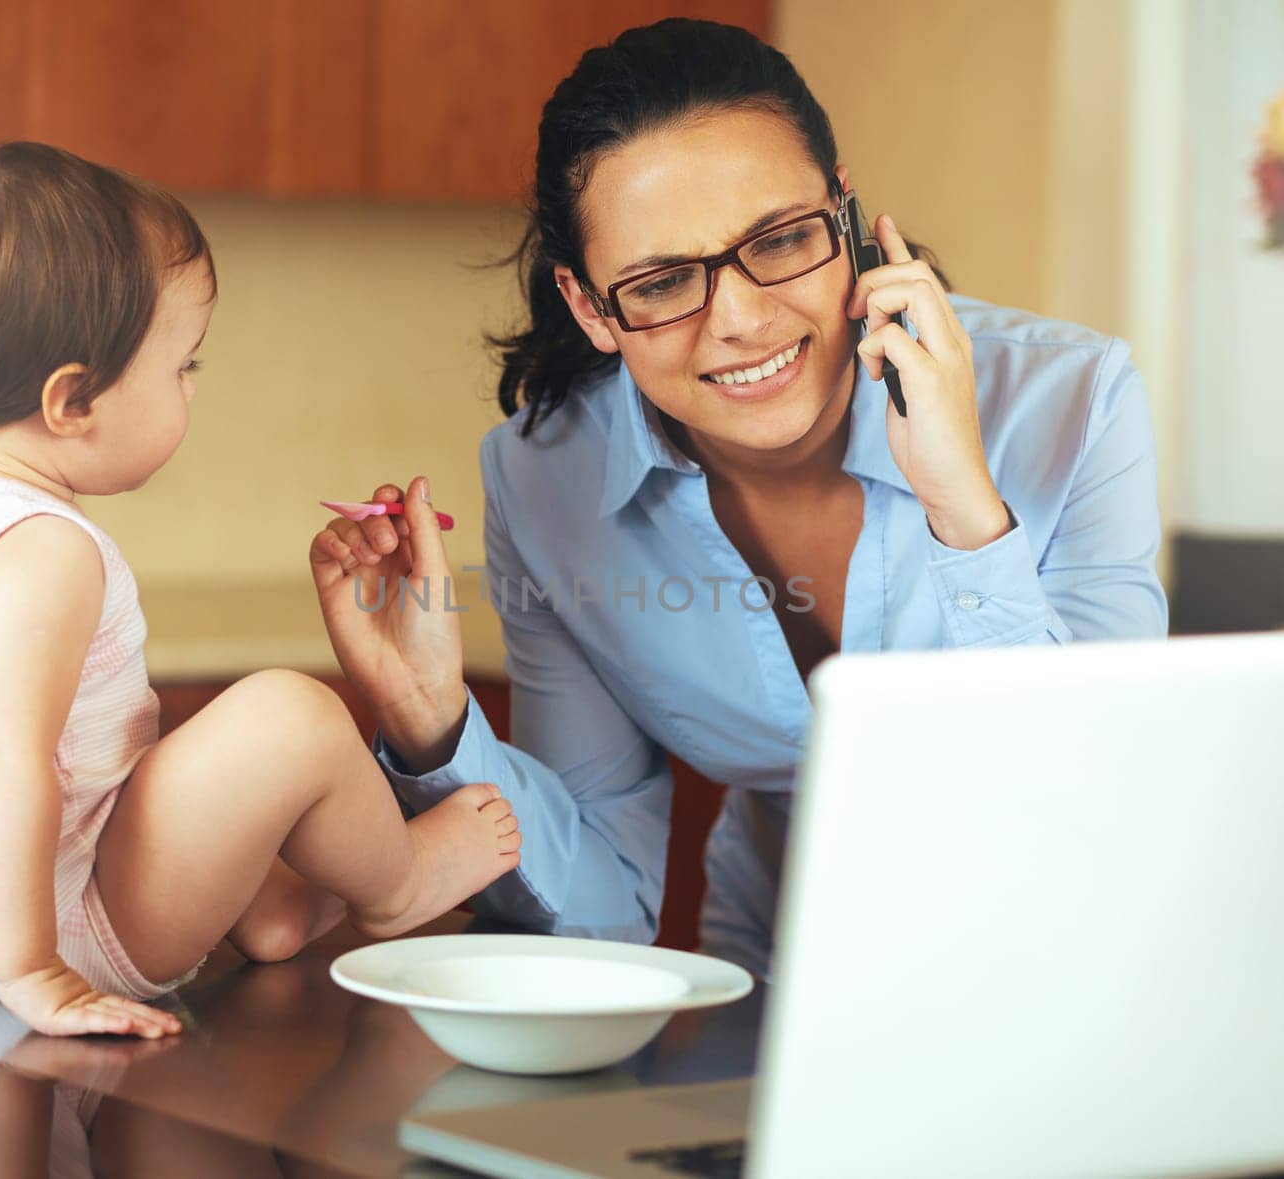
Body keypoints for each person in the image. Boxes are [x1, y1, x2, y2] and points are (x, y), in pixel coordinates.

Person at [309, 19, 1167, 978]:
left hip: (1073, 966)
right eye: (663, 281)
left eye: (782, 239)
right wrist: (431, 718)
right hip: (781, 974)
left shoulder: (1071, 401)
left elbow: (1100, 803)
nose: (744, 320)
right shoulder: (544, 481)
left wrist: (966, 510)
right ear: (591, 306)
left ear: (843, 213)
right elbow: (604, 904)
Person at [0, 142, 520, 1039]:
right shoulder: (44, 551)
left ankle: (269, 907)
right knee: (288, 715)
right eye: (184, 365)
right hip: (51, 933)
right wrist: (35, 970)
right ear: (71, 400)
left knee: (155, 749)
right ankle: (399, 884)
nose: (192, 385)